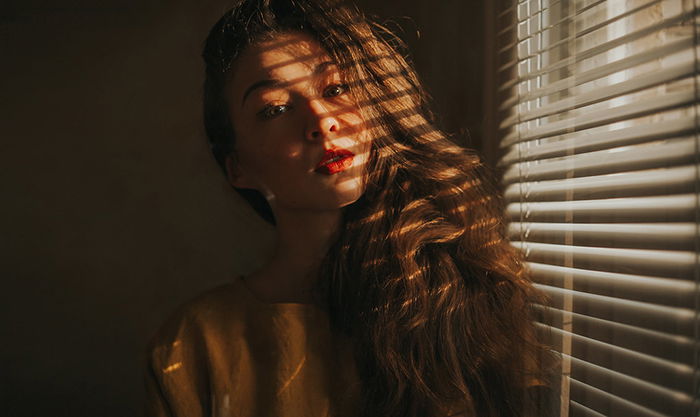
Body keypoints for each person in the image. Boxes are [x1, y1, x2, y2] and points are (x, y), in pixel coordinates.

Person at [145, 0, 556, 416]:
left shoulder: (465, 288)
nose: (322, 119)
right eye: (275, 109)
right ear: (238, 168)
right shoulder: (194, 344)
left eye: (336, 88)